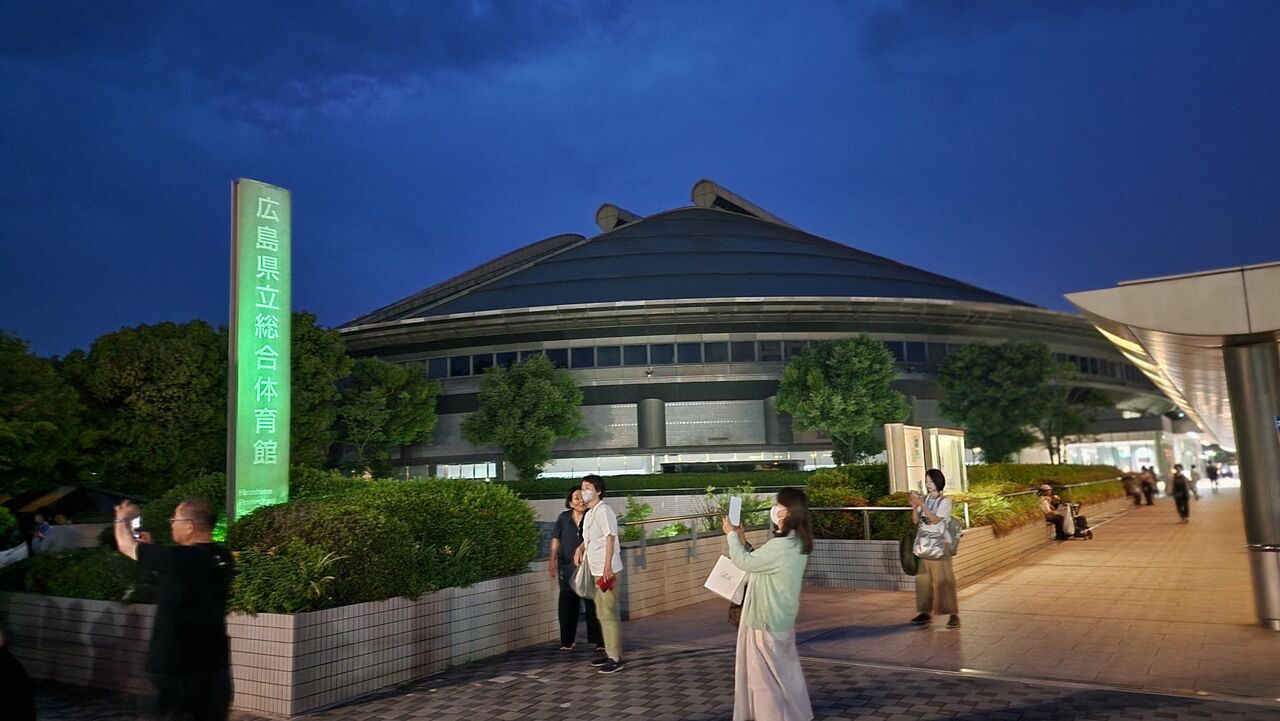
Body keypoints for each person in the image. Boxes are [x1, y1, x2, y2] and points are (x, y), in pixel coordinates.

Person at [114, 498, 234, 721]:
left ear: (189, 526)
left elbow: (126, 546)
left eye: (175, 519)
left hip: (175, 665)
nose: (171, 524)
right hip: (213, 666)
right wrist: (152, 548)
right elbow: (183, 577)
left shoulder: (179, 558)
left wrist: (123, 518)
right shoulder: (222, 557)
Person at [720, 487, 813, 721]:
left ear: (788, 512)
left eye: (780, 505)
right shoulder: (797, 542)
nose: (775, 509)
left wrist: (730, 535)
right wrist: (742, 539)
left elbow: (744, 562)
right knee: (786, 676)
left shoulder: (781, 545)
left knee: (763, 680)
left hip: (765, 619)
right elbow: (759, 561)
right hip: (782, 617)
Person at [573, 474, 624, 674]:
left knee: (608, 612)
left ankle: (615, 657)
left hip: (606, 570)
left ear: (598, 491)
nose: (584, 491)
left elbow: (610, 538)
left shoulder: (604, 510)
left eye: (588, 487)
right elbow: (590, 539)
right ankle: (610, 651)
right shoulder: (590, 513)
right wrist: (580, 549)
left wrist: (607, 567)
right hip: (595, 569)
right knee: (602, 612)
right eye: (582, 487)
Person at [548, 486, 603, 652]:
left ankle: (599, 641)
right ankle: (567, 641)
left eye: (582, 497)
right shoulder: (563, 518)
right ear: (570, 503)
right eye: (577, 498)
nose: (581, 501)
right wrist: (552, 560)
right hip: (567, 566)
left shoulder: (592, 516)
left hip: (589, 566)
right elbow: (556, 539)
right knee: (567, 603)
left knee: (593, 602)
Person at [909, 468, 960, 629]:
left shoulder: (945, 501)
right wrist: (914, 507)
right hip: (924, 545)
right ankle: (924, 612)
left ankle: (953, 615)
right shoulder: (924, 499)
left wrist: (922, 505)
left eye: (931, 481)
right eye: (926, 482)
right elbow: (915, 521)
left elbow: (935, 519)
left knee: (944, 581)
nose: (928, 484)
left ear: (938, 482)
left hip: (940, 545)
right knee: (923, 580)